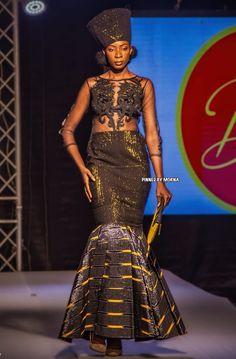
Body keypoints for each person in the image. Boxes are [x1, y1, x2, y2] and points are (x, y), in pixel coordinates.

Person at [58, 8, 187, 357]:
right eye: (112, 48)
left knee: (127, 244)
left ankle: (110, 332)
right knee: (107, 240)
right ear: (104, 52)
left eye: (124, 47)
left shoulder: (144, 84)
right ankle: (101, 329)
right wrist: (82, 167)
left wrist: (159, 181)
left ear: (131, 50)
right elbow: (67, 129)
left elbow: (153, 135)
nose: (118, 53)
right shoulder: (91, 84)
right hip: (100, 163)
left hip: (133, 166)